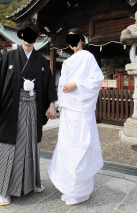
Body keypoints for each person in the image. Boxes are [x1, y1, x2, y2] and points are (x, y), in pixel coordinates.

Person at [0, 20, 57, 206]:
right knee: (9, 147)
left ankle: (32, 183)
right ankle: (4, 189)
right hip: (12, 108)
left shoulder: (41, 61)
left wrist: (52, 105)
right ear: (21, 35)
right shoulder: (9, 57)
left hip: (33, 109)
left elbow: (48, 84)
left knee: (31, 145)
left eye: (33, 34)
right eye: (26, 33)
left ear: (36, 38)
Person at [47, 28, 104, 206]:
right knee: (67, 148)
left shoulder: (87, 56)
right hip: (68, 110)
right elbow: (61, 86)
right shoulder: (67, 61)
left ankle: (80, 191)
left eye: (75, 38)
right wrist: (56, 105)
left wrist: (77, 84)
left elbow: (97, 79)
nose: (72, 42)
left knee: (81, 146)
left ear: (81, 40)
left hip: (80, 109)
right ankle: (69, 188)